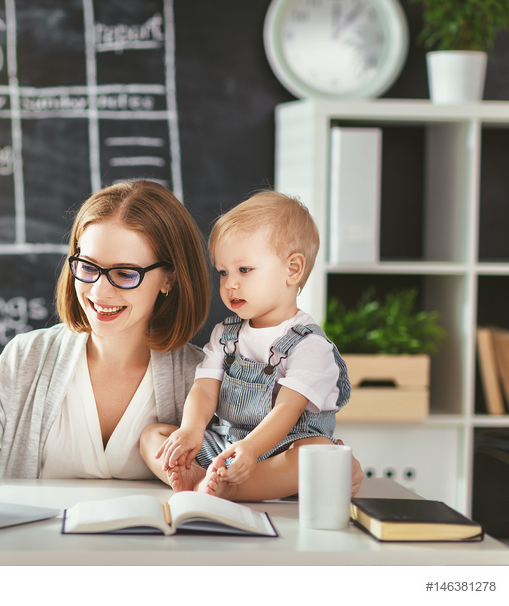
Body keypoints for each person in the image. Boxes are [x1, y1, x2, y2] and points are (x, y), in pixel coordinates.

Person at [0, 179, 211, 493]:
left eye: (125, 273)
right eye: (87, 266)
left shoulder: (204, 379)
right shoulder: (29, 357)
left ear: (169, 279)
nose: (99, 291)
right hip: (35, 542)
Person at [140, 189, 356, 501]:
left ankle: (231, 488)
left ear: (292, 269)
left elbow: (286, 410)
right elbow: (204, 388)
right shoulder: (226, 334)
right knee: (153, 436)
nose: (230, 284)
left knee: (319, 452)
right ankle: (201, 477)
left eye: (244, 270)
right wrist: (191, 430)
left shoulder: (310, 346)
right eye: (223, 272)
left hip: (278, 451)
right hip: (225, 444)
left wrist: (251, 450)